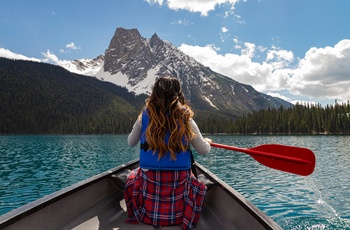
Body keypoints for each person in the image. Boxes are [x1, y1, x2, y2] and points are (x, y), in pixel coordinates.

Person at [124, 75, 212, 229]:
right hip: (178, 199)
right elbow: (203, 150)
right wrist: (208, 142)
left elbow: (131, 142)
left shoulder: (144, 116)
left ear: (154, 93)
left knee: (132, 175)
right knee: (194, 178)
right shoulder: (186, 118)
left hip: (149, 195)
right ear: (178, 94)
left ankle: (149, 212)